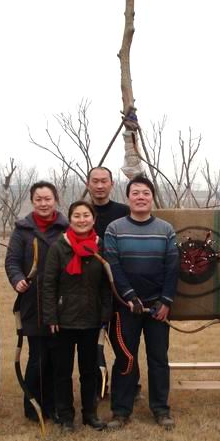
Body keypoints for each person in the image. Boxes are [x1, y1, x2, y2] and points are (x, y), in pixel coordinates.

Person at [103, 175, 179, 430]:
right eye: (135, 193)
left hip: (158, 308)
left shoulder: (166, 230)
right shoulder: (114, 229)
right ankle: (120, 411)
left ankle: (161, 409)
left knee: (158, 359)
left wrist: (165, 301)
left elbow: (172, 267)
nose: (140, 197)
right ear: (128, 198)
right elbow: (113, 265)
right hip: (126, 308)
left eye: (145, 193)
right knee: (126, 358)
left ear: (152, 197)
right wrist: (129, 297)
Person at [41, 200, 111, 432]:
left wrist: (105, 313)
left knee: (89, 371)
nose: (82, 220)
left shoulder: (100, 246)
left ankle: (90, 414)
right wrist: (51, 317)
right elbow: (49, 284)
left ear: (93, 219)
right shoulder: (59, 247)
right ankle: (66, 416)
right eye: (77, 216)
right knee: (62, 371)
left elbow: (106, 284)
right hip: (63, 320)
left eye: (86, 215)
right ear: (70, 220)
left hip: (91, 318)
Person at [5, 181, 68, 424]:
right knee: (38, 357)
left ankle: (57, 405)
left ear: (55, 200)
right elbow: (12, 261)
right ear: (32, 201)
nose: (43, 203)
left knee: (59, 357)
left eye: (47, 199)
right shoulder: (22, 230)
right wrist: (17, 279)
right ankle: (34, 406)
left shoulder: (66, 228)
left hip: (61, 302)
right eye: (38, 199)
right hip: (33, 301)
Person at [85, 166, 140, 401]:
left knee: (123, 342)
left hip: (119, 287)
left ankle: (130, 385)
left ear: (111, 184)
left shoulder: (124, 212)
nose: (99, 185)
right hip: (89, 287)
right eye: (95, 181)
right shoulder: (82, 212)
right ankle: (98, 387)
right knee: (91, 343)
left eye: (104, 181)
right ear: (88, 184)